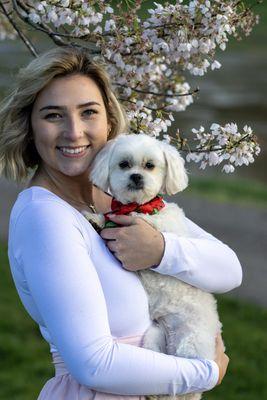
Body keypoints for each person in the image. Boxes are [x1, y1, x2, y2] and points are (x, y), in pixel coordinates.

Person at [0, 46, 240, 400]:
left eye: (88, 112)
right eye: (53, 116)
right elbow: (93, 363)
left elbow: (230, 271)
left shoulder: (120, 200)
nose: (74, 131)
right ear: (30, 127)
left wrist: (161, 250)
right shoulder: (45, 217)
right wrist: (206, 372)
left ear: (109, 122)